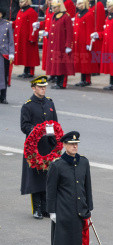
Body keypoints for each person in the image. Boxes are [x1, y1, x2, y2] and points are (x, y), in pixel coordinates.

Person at [47, 131, 93, 245]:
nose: (75, 146)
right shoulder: (57, 165)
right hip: (63, 211)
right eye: (71, 144)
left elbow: (87, 187)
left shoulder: (84, 162)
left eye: (76, 144)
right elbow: (51, 190)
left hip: (79, 210)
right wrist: (52, 211)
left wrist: (89, 210)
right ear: (64, 145)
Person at [21, 76, 58, 219]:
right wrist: (37, 130)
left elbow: (55, 123)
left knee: (47, 177)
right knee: (35, 178)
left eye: (44, 87)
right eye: (40, 87)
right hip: (34, 147)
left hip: (48, 145)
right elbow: (24, 126)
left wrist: (56, 143)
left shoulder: (50, 103)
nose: (43, 89)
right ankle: (36, 208)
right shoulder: (28, 106)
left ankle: (45, 208)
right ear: (33, 88)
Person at [46, 0, 74, 89]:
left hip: (62, 44)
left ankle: (62, 83)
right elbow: (54, 29)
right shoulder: (54, 16)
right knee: (57, 64)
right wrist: (48, 34)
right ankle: (58, 82)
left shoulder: (66, 17)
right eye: (52, 7)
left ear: (60, 6)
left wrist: (68, 45)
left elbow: (69, 32)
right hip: (55, 43)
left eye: (55, 7)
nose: (53, 9)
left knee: (63, 64)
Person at [94, 0, 113, 90]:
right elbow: (106, 31)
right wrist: (99, 35)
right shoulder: (108, 17)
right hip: (108, 43)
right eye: (108, 6)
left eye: (110, 6)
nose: (108, 8)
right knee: (111, 65)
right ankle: (111, 82)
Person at [14, 0, 40, 78]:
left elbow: (33, 26)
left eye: (21, 2)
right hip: (22, 37)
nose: (20, 3)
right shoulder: (21, 11)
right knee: (26, 55)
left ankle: (29, 72)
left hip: (28, 37)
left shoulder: (31, 12)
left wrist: (32, 37)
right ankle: (26, 71)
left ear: (26, 2)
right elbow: (17, 22)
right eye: (19, 2)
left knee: (29, 55)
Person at [73, 0, 95, 87]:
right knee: (81, 62)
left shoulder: (89, 14)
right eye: (77, 3)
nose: (78, 5)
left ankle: (87, 80)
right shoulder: (77, 14)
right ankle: (82, 79)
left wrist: (88, 42)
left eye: (80, 3)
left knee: (85, 62)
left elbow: (90, 29)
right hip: (78, 41)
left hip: (84, 42)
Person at [0, 8, 14, 104]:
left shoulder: (7, 24)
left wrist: (11, 53)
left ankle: (3, 96)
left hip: (3, 53)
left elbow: (11, 40)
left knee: (4, 76)